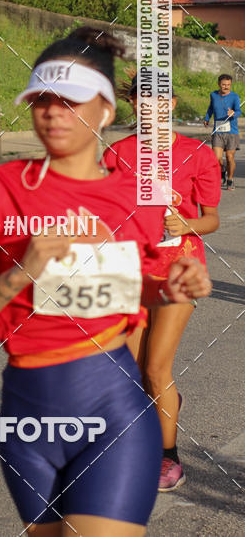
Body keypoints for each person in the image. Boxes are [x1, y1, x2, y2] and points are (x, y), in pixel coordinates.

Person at [0, 27, 211, 537]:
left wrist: (170, 287)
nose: (53, 111)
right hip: (27, 414)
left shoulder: (133, 195)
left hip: (111, 399)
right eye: (41, 99)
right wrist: (25, 270)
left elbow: (135, 287)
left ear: (106, 110)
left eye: (71, 100)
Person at [103, 75, 220, 491]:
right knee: (133, 372)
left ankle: (168, 458)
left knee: (156, 367)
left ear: (170, 103)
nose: (149, 106)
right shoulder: (118, 152)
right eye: (141, 99)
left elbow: (212, 219)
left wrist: (188, 222)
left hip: (178, 267)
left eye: (158, 99)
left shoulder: (197, 154)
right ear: (134, 104)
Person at [204, 73, 241, 189]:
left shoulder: (235, 96)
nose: (226, 87)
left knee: (230, 157)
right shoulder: (213, 95)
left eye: (228, 85)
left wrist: (233, 113)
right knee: (216, 158)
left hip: (232, 131)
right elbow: (211, 108)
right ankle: (222, 170)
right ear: (219, 84)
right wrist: (206, 118)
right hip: (218, 131)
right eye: (224, 85)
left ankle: (230, 179)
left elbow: (239, 111)